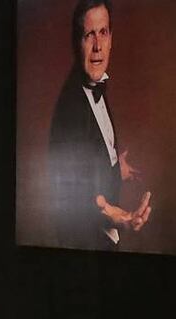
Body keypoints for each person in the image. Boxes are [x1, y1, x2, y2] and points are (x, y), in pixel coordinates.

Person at [46, 0, 151, 251]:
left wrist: (115, 166)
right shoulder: (70, 109)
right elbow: (72, 190)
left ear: (111, 38)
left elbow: (89, 166)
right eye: (88, 35)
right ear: (76, 43)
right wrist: (115, 216)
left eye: (103, 33)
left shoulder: (95, 90)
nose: (97, 47)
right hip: (85, 248)